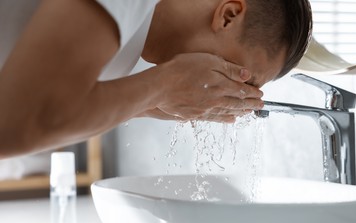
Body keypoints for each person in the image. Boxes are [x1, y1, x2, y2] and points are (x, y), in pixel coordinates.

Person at [0, 0, 312, 159]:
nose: (231, 90)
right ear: (228, 14)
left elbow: (56, 110)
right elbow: (17, 124)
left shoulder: (130, 40)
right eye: (239, 76)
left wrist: (149, 104)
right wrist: (162, 87)